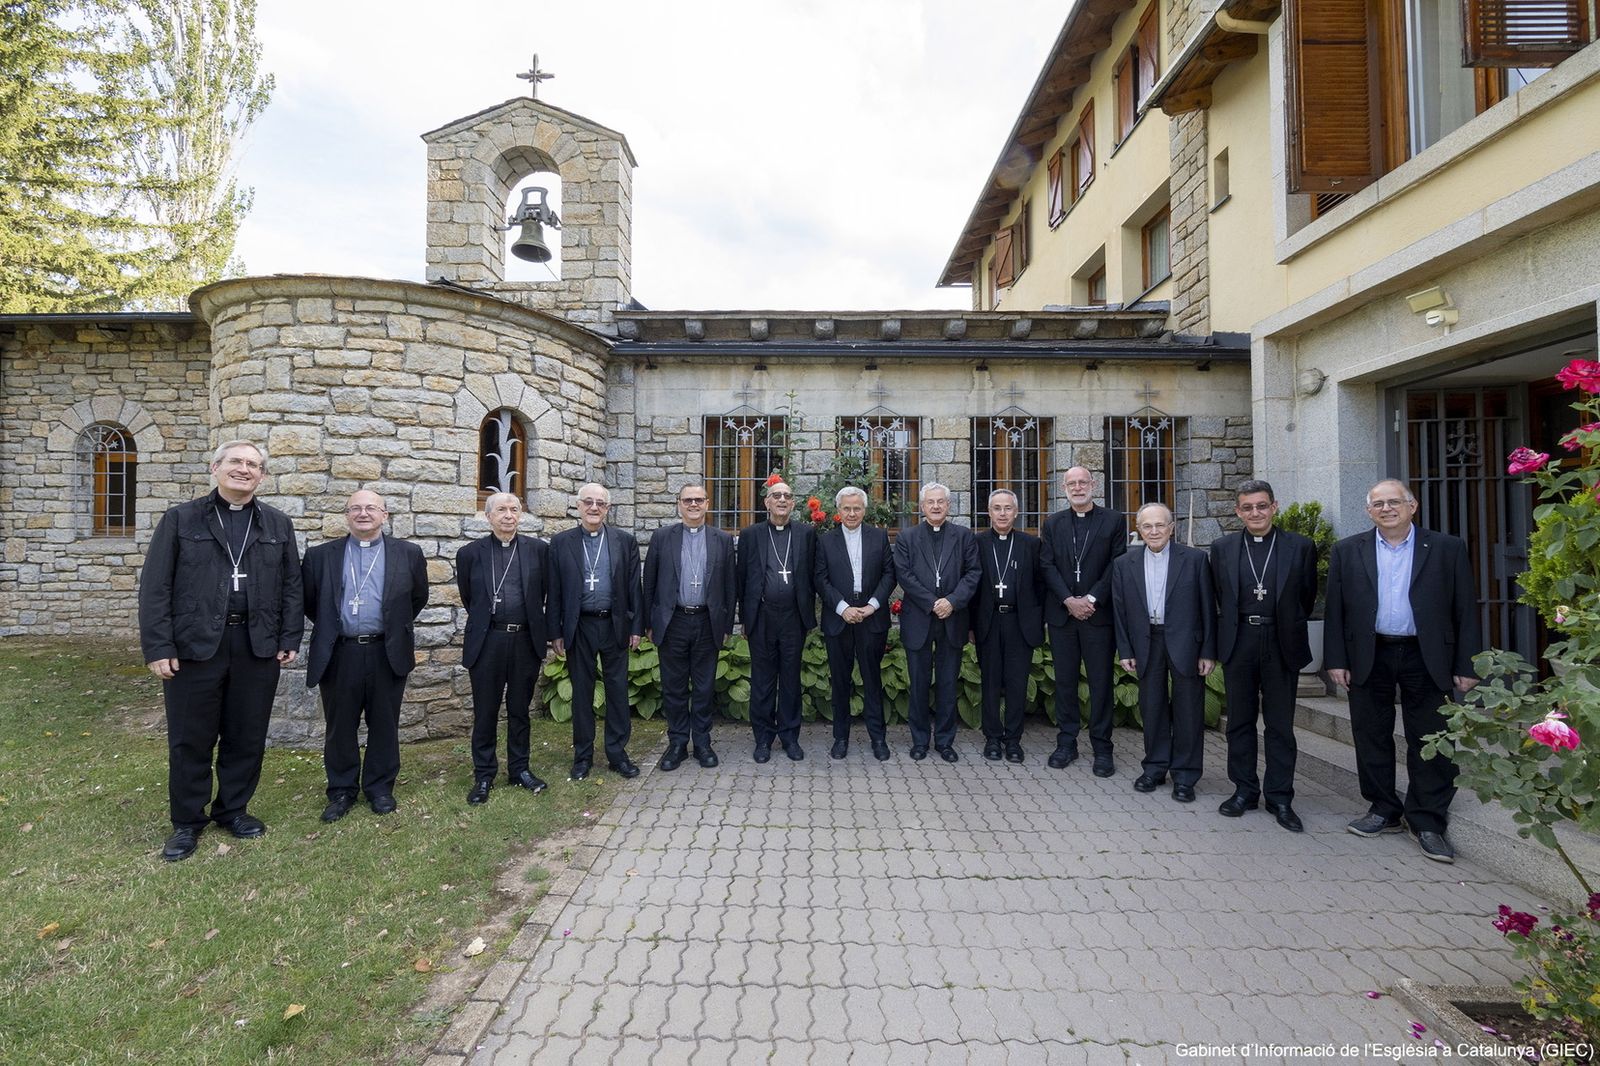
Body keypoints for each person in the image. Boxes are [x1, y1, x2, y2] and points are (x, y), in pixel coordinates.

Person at [138, 440, 303, 862]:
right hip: (196, 646)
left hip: (256, 645)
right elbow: (156, 587)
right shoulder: (181, 519)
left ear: (262, 476)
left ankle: (234, 809)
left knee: (245, 735)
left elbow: (291, 587)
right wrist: (159, 645)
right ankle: (187, 822)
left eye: (253, 465)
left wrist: (289, 638)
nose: (244, 469)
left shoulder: (277, 524)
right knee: (190, 739)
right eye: (236, 462)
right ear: (216, 468)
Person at [1325, 478, 1482, 863]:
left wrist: (1467, 663)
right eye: (1378, 504)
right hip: (1370, 653)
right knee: (1370, 733)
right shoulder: (1348, 551)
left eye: (1394, 502)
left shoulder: (1446, 548)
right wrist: (1336, 659)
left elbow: (1465, 608)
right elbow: (1335, 612)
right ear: (1368, 511)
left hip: (1426, 655)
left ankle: (1427, 820)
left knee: (1430, 736)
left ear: (1413, 507)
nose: (1386, 509)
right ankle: (1383, 808)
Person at [302, 489, 429, 820]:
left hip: (386, 651)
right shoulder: (320, 556)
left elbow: (417, 598)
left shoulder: (409, 553)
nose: (363, 513)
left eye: (371, 508)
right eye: (355, 508)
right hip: (340, 652)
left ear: (384, 515)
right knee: (339, 725)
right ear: (346, 515)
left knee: (384, 723)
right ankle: (342, 790)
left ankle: (379, 787)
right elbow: (312, 602)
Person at [1209, 480, 1317, 832]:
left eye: (1261, 506)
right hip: (1239, 639)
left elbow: (1307, 597)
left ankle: (1280, 796)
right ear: (1238, 511)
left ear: (1274, 506)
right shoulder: (1223, 548)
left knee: (1280, 725)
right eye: (1247, 507)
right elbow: (1219, 597)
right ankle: (1244, 789)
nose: (1255, 512)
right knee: (1239, 721)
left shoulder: (1299, 546)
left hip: (1281, 640)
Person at [1112, 502, 1216, 803]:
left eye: (1160, 525)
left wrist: (1208, 651)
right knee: (1152, 707)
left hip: (1186, 643)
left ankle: (1185, 775)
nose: (1154, 531)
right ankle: (1155, 767)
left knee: (1188, 711)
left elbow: (1209, 608)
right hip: (1147, 642)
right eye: (1147, 526)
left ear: (1172, 528)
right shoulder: (1124, 563)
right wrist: (1125, 649)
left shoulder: (1195, 559)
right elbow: (1120, 610)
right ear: (1139, 529)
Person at [456, 493, 551, 805]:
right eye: (501, 510)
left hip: (525, 639)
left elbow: (545, 594)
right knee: (486, 711)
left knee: (520, 710)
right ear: (488, 517)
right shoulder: (470, 553)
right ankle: (484, 775)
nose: (508, 515)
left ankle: (520, 769)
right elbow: (470, 597)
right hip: (488, 641)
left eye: (514, 509)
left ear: (520, 515)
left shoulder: (539, 550)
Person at [549, 484, 643, 781]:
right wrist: (555, 632)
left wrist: (636, 627)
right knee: (582, 694)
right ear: (578, 506)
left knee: (616, 692)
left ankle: (617, 754)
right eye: (588, 502)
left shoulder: (624, 541)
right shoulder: (561, 542)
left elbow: (633, 588)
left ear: (608, 508)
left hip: (614, 624)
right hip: (579, 626)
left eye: (600, 503)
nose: (594, 507)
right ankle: (583, 756)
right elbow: (554, 590)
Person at [1039, 466, 1126, 776]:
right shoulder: (1053, 523)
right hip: (1063, 616)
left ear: (1093, 484)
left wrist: (1090, 599)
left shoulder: (1114, 520)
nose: (1077, 488)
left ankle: (1103, 748)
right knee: (1064, 682)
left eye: (1082, 482)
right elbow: (1047, 565)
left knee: (1101, 683)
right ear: (1064, 487)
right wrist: (1068, 600)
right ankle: (1067, 743)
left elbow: (1117, 563)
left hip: (1097, 616)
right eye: (1071, 483)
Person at [643, 483, 736, 770]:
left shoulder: (722, 539)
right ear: (679, 504)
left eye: (699, 500)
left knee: (705, 686)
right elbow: (650, 583)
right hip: (674, 621)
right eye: (688, 500)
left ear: (708, 504)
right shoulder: (662, 537)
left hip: (708, 621)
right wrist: (649, 622)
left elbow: (730, 586)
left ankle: (703, 743)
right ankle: (678, 743)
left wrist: (727, 625)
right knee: (674, 687)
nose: (693, 505)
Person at [893, 483, 980, 762]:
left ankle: (944, 741)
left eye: (941, 502)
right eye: (930, 502)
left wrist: (952, 601)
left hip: (952, 619)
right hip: (919, 618)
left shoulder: (964, 536)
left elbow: (973, 573)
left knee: (947, 683)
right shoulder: (907, 537)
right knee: (918, 684)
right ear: (921, 506)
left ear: (949, 506)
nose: (935, 506)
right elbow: (904, 575)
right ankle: (919, 740)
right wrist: (933, 602)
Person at [737, 478, 817, 762]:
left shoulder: (807, 534)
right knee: (762, 680)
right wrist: (745, 618)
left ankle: (789, 737)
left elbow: (813, 576)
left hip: (794, 618)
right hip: (762, 617)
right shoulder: (751, 535)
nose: (782, 500)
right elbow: (741, 579)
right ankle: (762, 739)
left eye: (787, 495)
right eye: (776, 495)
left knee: (791, 679)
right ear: (766, 502)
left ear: (793, 503)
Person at [814, 486, 896, 760]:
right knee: (840, 681)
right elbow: (820, 579)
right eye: (846, 508)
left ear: (864, 510)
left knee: (872, 680)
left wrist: (872, 606)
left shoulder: (879, 537)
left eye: (857, 508)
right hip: (839, 619)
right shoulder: (825, 541)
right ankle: (840, 738)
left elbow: (889, 574)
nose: (852, 513)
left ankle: (878, 738)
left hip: (872, 619)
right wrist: (842, 608)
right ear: (838, 511)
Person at [972, 489, 1045, 763]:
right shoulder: (977, 543)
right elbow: (971, 587)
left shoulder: (1030, 544)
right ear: (989, 512)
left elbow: (1041, 585)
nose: (1002, 513)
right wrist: (970, 626)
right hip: (988, 623)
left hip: (1019, 623)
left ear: (1016, 512)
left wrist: (1037, 621)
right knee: (990, 682)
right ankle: (992, 739)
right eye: (997, 508)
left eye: (1007, 508)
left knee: (1017, 683)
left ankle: (1013, 740)